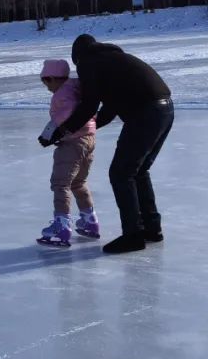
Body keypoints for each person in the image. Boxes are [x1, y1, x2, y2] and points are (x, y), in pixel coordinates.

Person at [41, 34, 173, 254]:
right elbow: (108, 109)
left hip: (146, 113)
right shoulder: (112, 61)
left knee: (121, 173)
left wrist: (62, 131)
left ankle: (132, 236)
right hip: (166, 109)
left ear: (77, 56)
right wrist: (83, 129)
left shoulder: (89, 63)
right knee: (138, 171)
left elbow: (89, 105)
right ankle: (152, 229)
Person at [36, 59, 99, 247]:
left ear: (54, 78)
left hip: (72, 143)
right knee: (79, 183)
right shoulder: (75, 88)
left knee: (60, 184)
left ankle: (61, 227)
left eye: (46, 81)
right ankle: (90, 221)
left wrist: (50, 131)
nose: (46, 87)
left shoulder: (62, 94)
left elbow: (67, 111)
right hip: (89, 139)